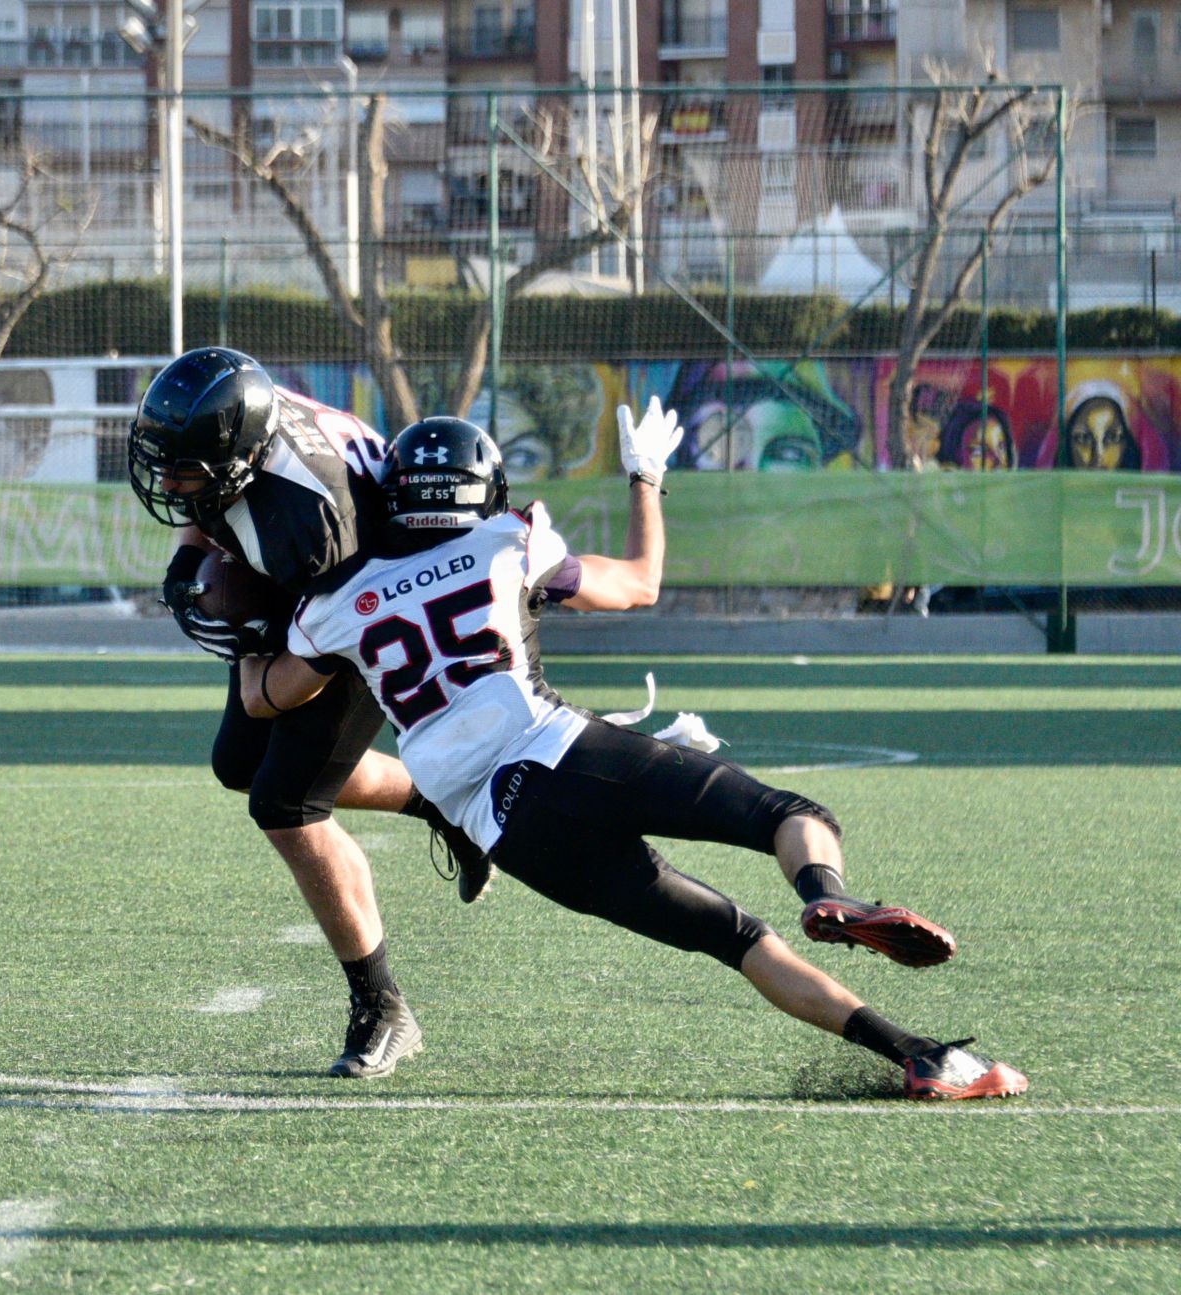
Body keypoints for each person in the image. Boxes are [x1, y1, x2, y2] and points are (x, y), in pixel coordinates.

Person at [241, 400, 1029, 1100]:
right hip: (565, 751)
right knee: (786, 813)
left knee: (732, 937)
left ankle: (914, 1053)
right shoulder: (505, 540)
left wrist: (244, 635)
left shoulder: (339, 604)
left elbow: (265, 695)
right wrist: (646, 475)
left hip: (508, 831)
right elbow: (642, 583)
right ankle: (832, 894)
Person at [128, 346, 493, 1080]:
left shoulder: (312, 520)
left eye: (184, 468)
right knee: (239, 763)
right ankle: (443, 802)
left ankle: (382, 1005)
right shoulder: (237, 425)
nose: (167, 481)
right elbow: (204, 503)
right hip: (313, 584)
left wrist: (251, 657)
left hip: (367, 596)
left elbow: (301, 673)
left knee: (287, 802)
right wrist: (186, 569)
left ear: (240, 458)